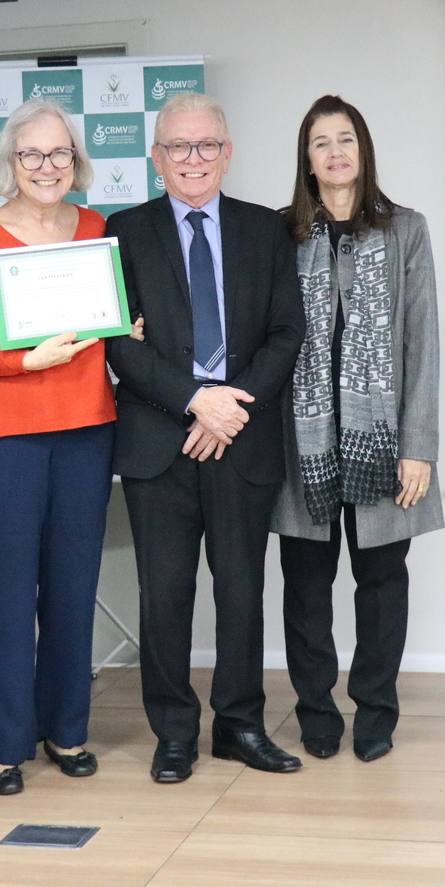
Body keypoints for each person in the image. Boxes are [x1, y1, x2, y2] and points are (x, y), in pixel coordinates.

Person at [106, 92, 306, 784]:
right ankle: (174, 731)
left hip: (242, 439)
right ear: (157, 157)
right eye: (178, 147)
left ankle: (240, 724)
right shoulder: (123, 231)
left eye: (207, 146)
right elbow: (116, 342)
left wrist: (229, 408)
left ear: (228, 152)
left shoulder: (265, 230)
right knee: (164, 594)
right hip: (158, 442)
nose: (193, 159)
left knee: (242, 589)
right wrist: (196, 401)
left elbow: (288, 331)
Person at [0, 98, 115, 795]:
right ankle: (4, 745)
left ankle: (66, 729)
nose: (47, 167)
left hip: (86, 429)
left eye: (60, 153)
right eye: (32, 154)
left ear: (77, 162)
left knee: (74, 589)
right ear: (10, 163)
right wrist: (22, 363)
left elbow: (109, 317)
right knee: (8, 594)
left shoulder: (98, 229)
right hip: (6, 435)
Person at [270, 95, 443, 763]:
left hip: (383, 441)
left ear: (364, 150)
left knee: (382, 585)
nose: (336, 152)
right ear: (306, 160)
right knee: (305, 585)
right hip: (301, 444)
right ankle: (315, 708)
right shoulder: (280, 232)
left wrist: (418, 444)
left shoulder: (405, 229)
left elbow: (422, 342)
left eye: (347, 139)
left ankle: (376, 711)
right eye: (321, 142)